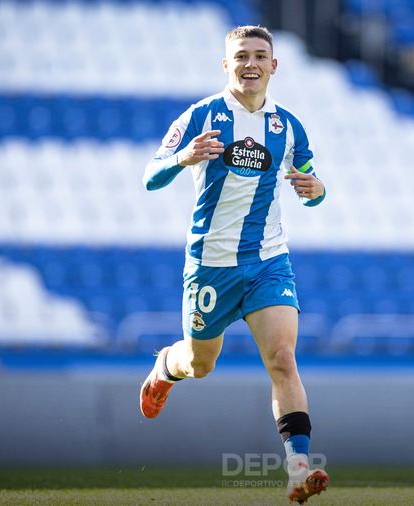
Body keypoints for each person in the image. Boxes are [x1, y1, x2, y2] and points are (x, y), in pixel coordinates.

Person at [139, 25, 328, 504]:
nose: (251, 64)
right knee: (200, 364)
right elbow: (150, 177)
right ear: (226, 64)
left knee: (283, 359)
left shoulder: (289, 126)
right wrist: (183, 157)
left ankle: (299, 470)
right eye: (241, 55)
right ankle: (166, 365)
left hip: (268, 261)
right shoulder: (201, 115)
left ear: (273, 65)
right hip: (211, 265)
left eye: (260, 55)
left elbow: (308, 186)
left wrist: (317, 190)